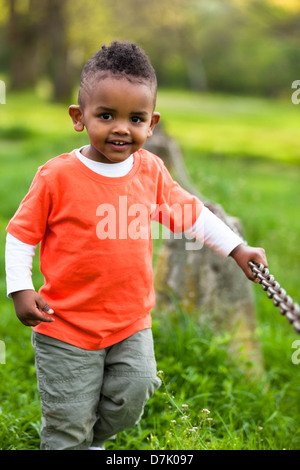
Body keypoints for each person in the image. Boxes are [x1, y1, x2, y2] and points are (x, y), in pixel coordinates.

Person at [5, 40, 267, 450]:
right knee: (67, 423)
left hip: (130, 322)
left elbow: (192, 215)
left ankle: (93, 439)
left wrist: (238, 248)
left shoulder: (151, 171)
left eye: (136, 118)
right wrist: (20, 288)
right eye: (106, 115)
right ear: (79, 117)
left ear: (152, 123)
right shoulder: (56, 177)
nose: (121, 128)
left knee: (136, 391)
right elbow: (21, 234)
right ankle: (74, 438)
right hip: (66, 326)